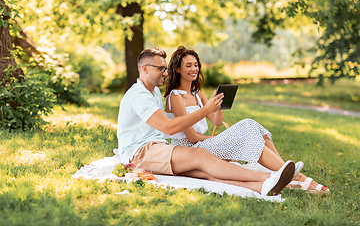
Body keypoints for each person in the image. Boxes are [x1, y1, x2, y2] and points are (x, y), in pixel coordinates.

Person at [117, 47, 296, 196]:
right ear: (145, 68)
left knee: (203, 172)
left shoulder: (153, 91)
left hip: (158, 147)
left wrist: (215, 108)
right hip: (139, 153)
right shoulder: (139, 95)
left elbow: (211, 121)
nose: (165, 73)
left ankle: (262, 186)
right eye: (160, 68)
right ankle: (268, 177)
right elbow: (168, 127)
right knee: (201, 156)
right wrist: (205, 110)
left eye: (165, 68)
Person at [163, 46, 330, 194]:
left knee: (251, 125)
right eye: (188, 65)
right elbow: (191, 137)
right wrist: (222, 140)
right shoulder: (175, 97)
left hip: (204, 145)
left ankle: (285, 170)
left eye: (196, 65)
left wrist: (219, 106)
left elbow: (216, 122)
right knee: (246, 126)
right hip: (190, 150)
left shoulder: (197, 94)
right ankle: (294, 175)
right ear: (177, 69)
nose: (194, 69)